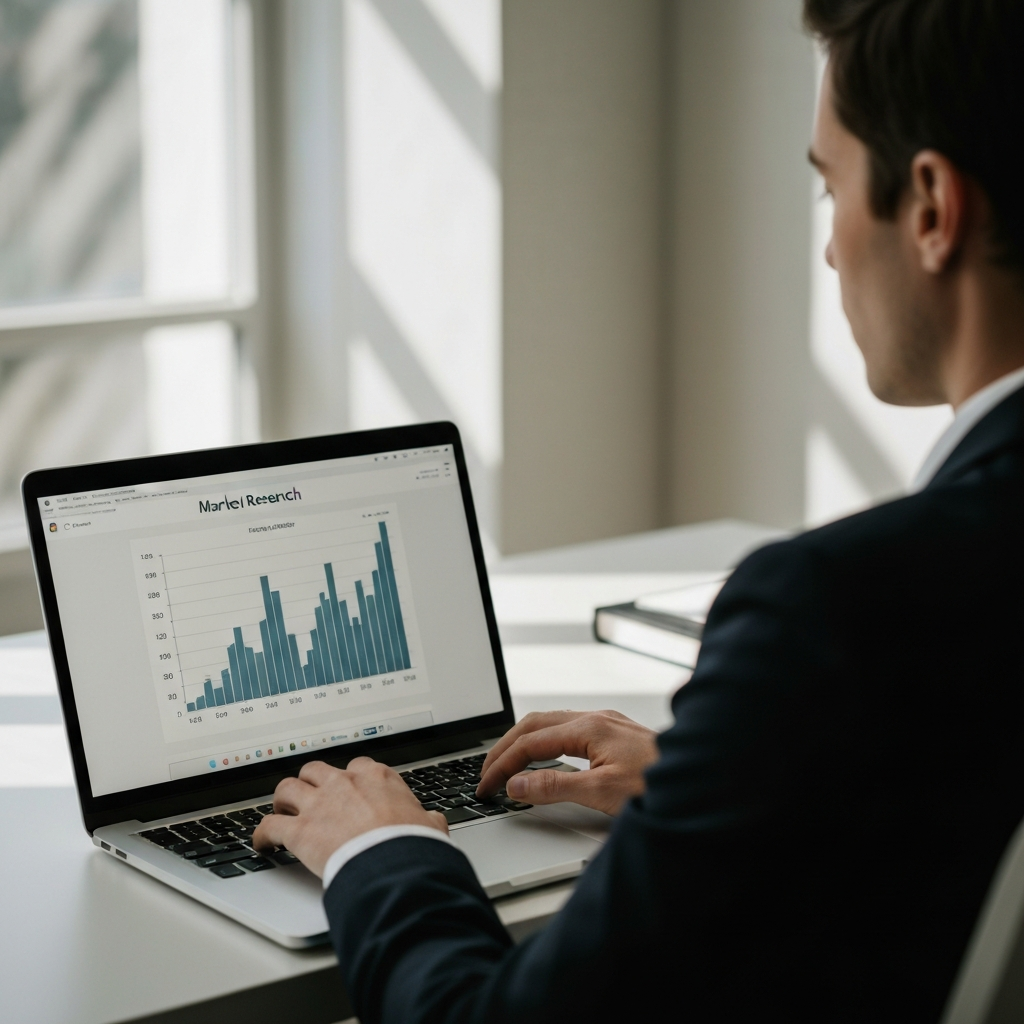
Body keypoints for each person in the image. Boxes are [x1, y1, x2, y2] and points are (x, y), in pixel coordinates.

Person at [253, 1, 1024, 1019]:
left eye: (827, 184)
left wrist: (376, 850)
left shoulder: (831, 611)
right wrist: (727, 799)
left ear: (929, 206)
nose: (832, 249)